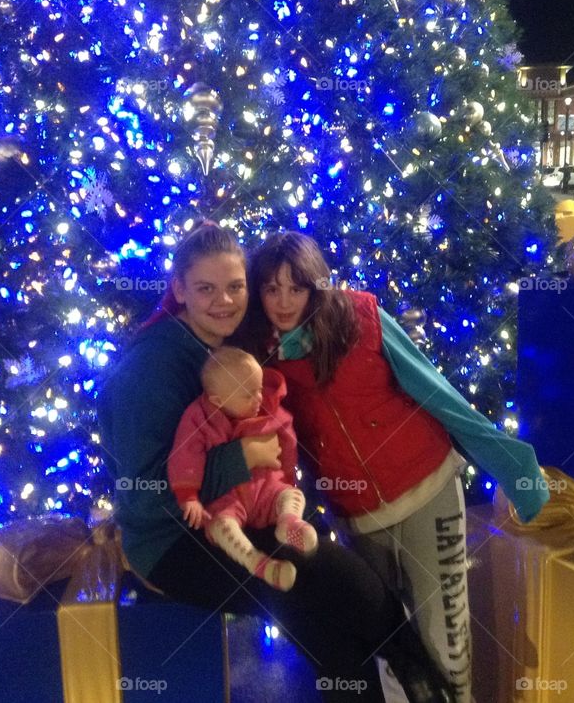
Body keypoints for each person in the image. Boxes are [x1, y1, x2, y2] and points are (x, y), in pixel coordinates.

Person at [97, 223, 455, 703]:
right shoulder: (152, 368)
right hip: (173, 540)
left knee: (324, 618)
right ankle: (421, 675)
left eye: (235, 286)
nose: (224, 300)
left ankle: (403, 681)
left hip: (245, 508)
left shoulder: (225, 344)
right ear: (178, 289)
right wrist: (240, 459)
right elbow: (143, 500)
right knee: (344, 588)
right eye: (206, 289)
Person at [245, 232, 550, 703]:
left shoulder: (360, 317)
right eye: (271, 289)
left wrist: (516, 469)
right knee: (392, 648)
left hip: (427, 493)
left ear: (315, 286)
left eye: (296, 287)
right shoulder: (262, 359)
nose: (284, 301)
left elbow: (438, 395)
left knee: (445, 642)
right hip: (356, 518)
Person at [168, 346, 317, 592]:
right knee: (219, 525)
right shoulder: (199, 417)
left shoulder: (268, 408)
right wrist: (189, 497)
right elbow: (185, 455)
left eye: (259, 389)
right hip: (229, 498)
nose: (258, 398)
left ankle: (288, 522)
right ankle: (257, 563)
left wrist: (287, 477)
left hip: (266, 489)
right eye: (248, 395)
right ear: (218, 401)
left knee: (291, 495)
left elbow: (287, 438)